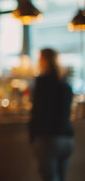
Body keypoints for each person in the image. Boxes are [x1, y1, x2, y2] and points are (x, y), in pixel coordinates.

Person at [29, 48, 74, 181]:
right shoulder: (65, 83)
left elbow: (38, 111)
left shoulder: (42, 82)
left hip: (48, 138)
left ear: (44, 60)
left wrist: (32, 136)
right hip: (67, 138)